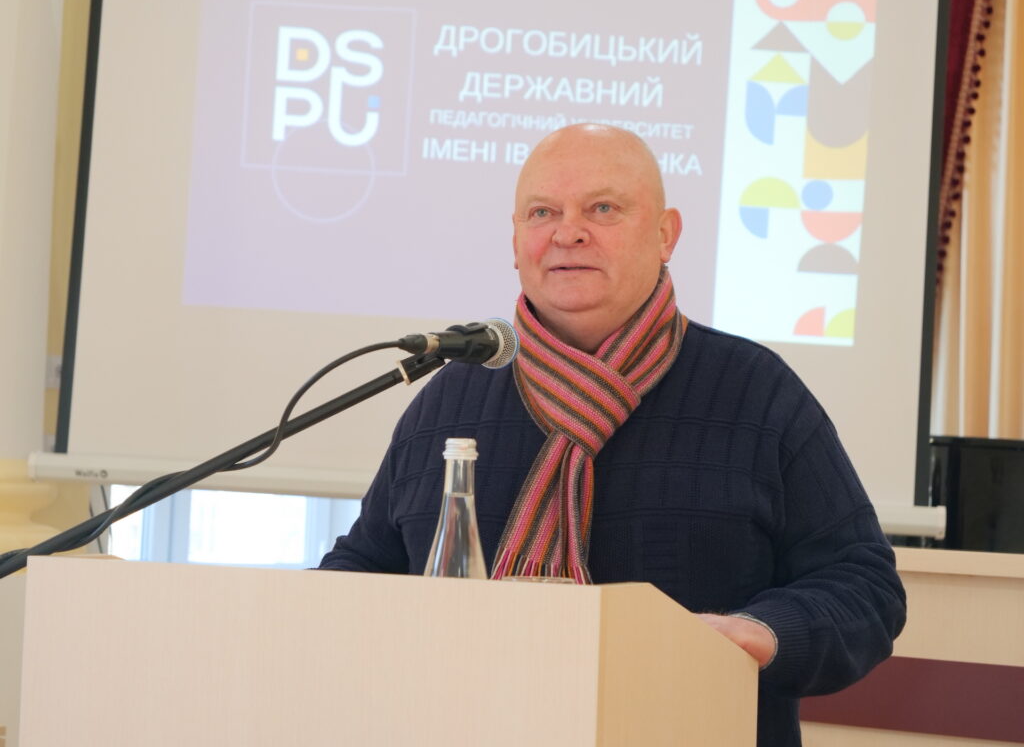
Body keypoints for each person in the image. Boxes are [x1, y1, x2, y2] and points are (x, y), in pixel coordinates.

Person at [319, 123, 906, 746]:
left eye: (602, 208)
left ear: (666, 235)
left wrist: (758, 633)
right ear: (515, 242)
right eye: (543, 212)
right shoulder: (451, 397)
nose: (567, 232)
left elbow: (863, 586)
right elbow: (366, 568)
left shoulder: (756, 392)